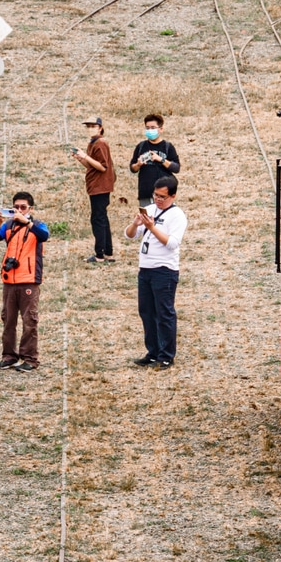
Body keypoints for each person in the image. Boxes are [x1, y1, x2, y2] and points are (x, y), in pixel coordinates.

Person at [125, 175, 186, 370]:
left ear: (173, 196)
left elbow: (172, 243)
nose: (158, 200)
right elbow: (129, 235)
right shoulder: (150, 209)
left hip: (164, 270)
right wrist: (136, 223)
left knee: (164, 313)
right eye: (156, 195)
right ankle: (152, 353)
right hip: (145, 268)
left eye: (162, 197)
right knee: (147, 312)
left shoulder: (177, 216)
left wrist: (152, 227)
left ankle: (166, 355)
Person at [0, 192, 50, 372]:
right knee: (8, 320)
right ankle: (9, 355)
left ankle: (30, 358)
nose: (19, 210)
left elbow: (44, 235)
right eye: (16, 207)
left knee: (29, 320)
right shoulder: (8, 226)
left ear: (30, 209)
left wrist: (26, 222)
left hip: (29, 280)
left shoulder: (37, 225)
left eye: (23, 207)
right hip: (9, 280)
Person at [71, 116, 116, 263]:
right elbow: (92, 166)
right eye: (88, 126)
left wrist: (85, 156)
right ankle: (107, 252)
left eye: (93, 126)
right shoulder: (93, 143)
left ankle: (99, 254)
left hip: (100, 187)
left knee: (97, 219)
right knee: (101, 218)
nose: (90, 129)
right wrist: (81, 158)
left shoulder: (100, 143)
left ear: (100, 128)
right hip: (96, 186)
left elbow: (103, 167)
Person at [129, 113, 181, 205]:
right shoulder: (141, 146)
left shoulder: (168, 147)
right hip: (146, 193)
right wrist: (138, 164)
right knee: (146, 218)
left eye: (153, 128)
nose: (150, 130)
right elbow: (132, 168)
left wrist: (161, 159)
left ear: (160, 129)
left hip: (164, 194)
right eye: (147, 128)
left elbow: (176, 168)